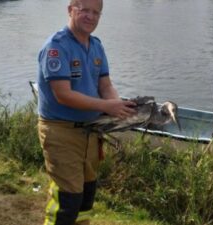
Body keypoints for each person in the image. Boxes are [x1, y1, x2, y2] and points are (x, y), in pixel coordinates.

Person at [36, 0, 136, 224]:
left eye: (96, 13)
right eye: (84, 11)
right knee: (68, 198)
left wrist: (118, 105)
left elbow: (105, 86)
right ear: (70, 10)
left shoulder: (97, 45)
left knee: (86, 193)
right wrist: (107, 107)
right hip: (61, 131)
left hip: (91, 132)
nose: (91, 17)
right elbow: (63, 94)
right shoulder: (56, 46)